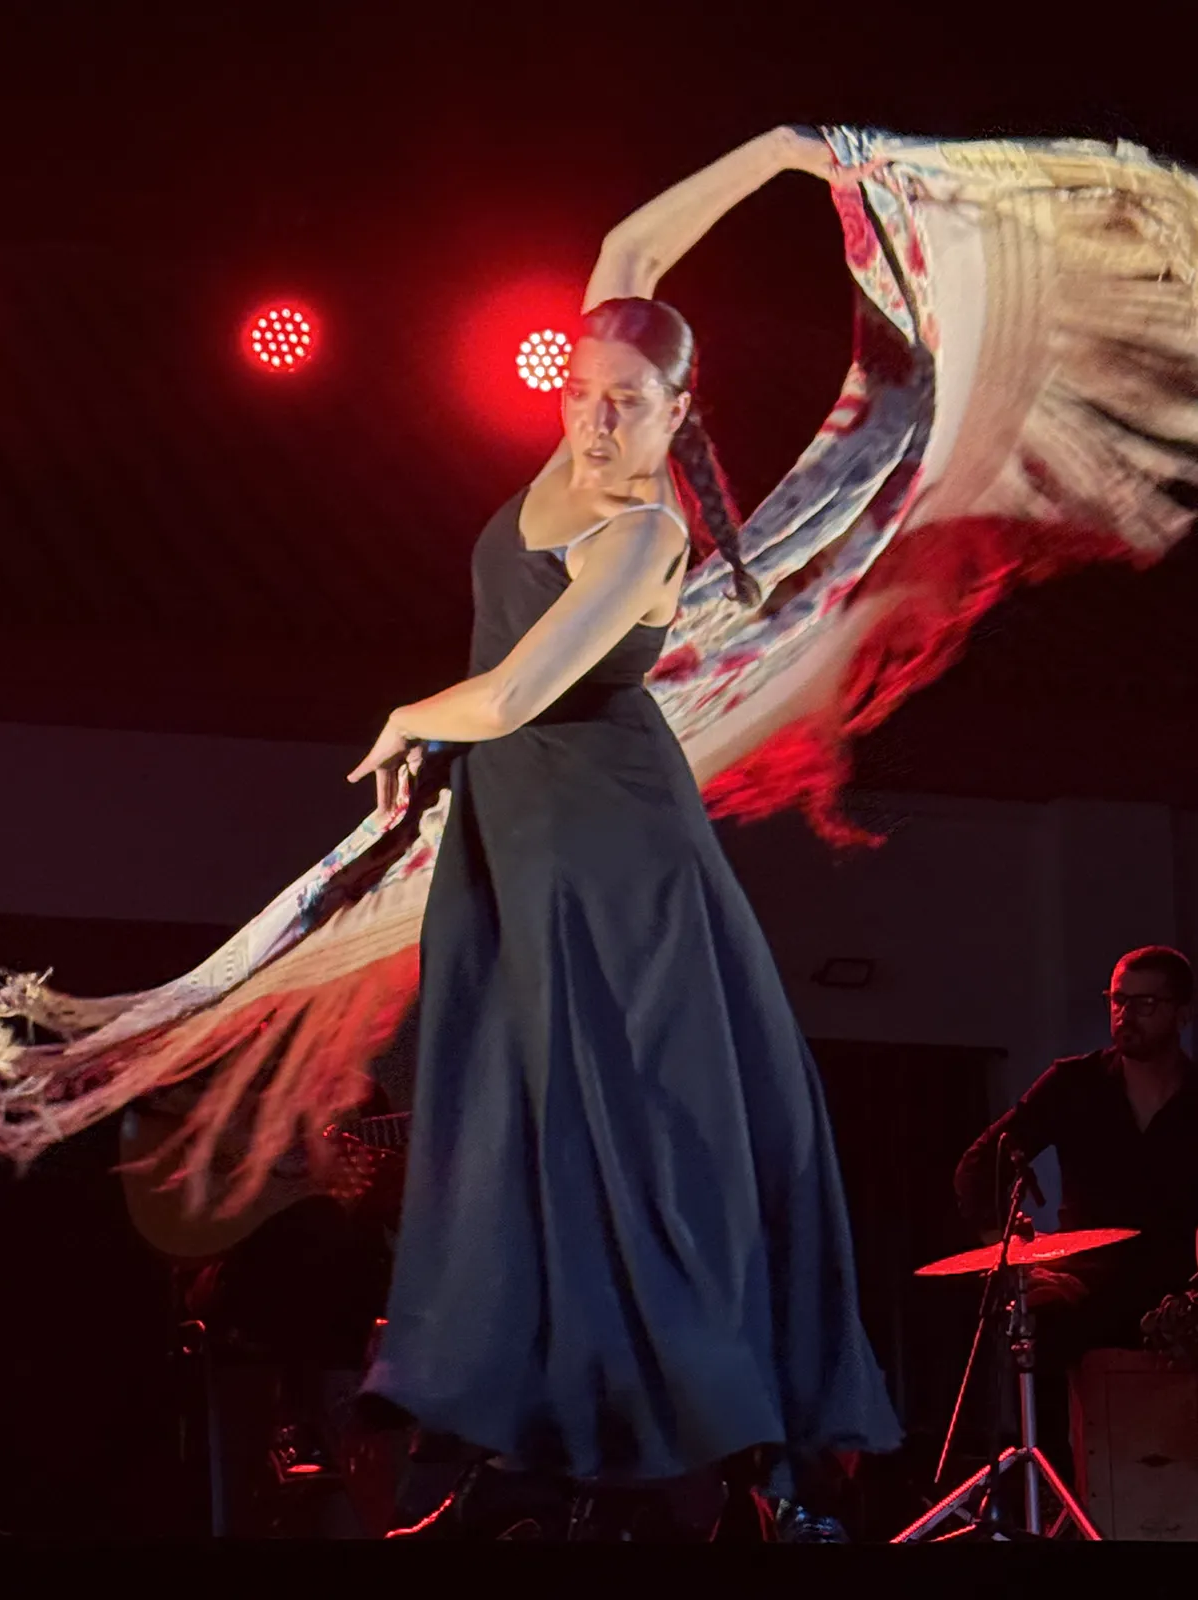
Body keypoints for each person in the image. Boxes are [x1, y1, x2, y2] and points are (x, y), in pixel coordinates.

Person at [344, 123, 900, 1540]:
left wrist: (415, 713)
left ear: (677, 408)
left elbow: (523, 686)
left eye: (625, 400)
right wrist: (774, 152)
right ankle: (539, 1439)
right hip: (516, 833)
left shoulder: (643, 533)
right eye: (581, 393)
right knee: (524, 1127)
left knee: (632, 1130)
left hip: (606, 846)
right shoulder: (589, 424)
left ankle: (696, 1441)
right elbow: (632, 254)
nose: (592, 422)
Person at [954, 945, 1198, 1479]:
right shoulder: (1074, 1084)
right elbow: (982, 1164)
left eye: (1145, 1002)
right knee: (1039, 1321)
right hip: (1089, 1280)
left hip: (1177, 1289)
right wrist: (1011, 1247)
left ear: (1183, 1013)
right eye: (1117, 999)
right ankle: (1059, 1494)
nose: (1125, 1015)